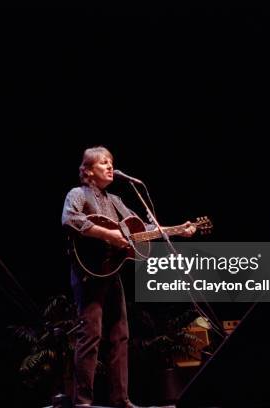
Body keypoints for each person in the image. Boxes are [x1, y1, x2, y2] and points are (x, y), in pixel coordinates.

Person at [61, 146, 196, 408]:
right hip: (89, 272)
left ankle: (120, 399)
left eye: (111, 162)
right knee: (90, 335)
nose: (110, 166)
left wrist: (178, 230)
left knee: (120, 335)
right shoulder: (78, 194)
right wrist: (107, 234)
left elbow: (142, 229)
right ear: (88, 170)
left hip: (111, 272)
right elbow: (70, 219)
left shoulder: (115, 201)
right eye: (103, 163)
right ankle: (83, 402)